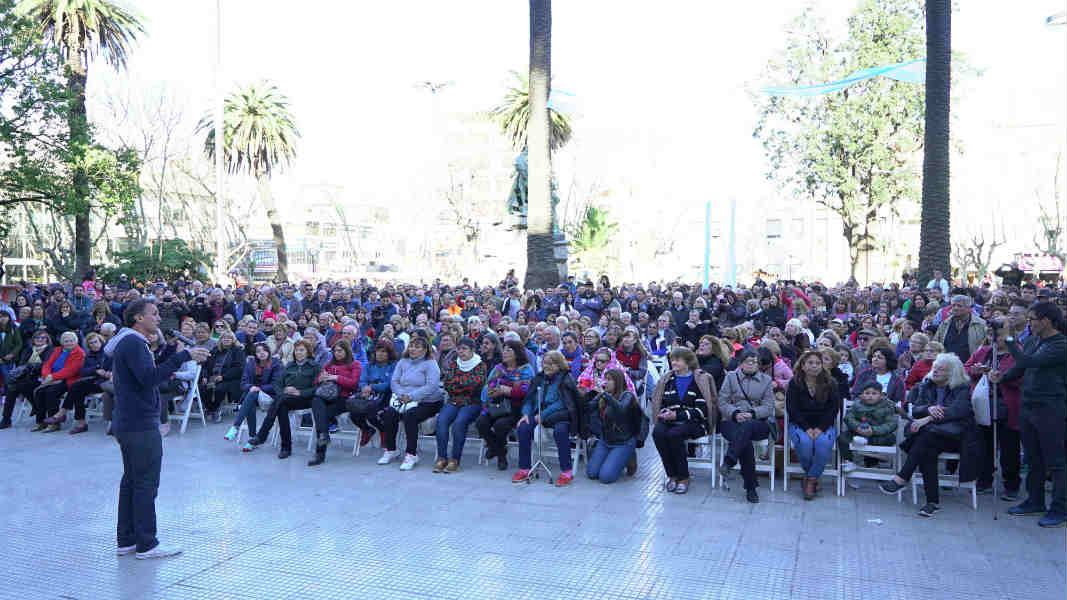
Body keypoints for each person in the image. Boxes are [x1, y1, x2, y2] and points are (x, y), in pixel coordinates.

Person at [105, 298, 209, 559]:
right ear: (138, 318)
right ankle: (147, 544)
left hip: (129, 421)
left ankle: (127, 540)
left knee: (131, 480)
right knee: (145, 483)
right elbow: (148, 379)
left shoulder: (128, 342)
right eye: (153, 314)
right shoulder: (133, 343)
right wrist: (183, 356)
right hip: (139, 423)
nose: (159, 318)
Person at [991, 302, 1067, 527]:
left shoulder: (1061, 344)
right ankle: (1034, 501)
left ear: (1046, 320)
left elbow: (1029, 360)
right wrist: (1002, 377)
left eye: (1033, 319)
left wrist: (1010, 342)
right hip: (1029, 404)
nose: (1030, 323)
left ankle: (1060, 509)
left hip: (1050, 407)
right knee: (1033, 457)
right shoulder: (1034, 340)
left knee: (1056, 461)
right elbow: (1022, 368)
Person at [880, 353, 980, 518]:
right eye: (935, 367)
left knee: (925, 437)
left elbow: (959, 411)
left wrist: (928, 417)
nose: (935, 371)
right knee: (927, 447)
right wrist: (928, 409)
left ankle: (902, 478)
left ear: (952, 373)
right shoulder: (926, 385)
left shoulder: (961, 387)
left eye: (941, 369)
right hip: (932, 436)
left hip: (956, 437)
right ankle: (931, 503)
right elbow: (916, 408)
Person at [963, 322, 1021, 499]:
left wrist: (1001, 376)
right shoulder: (983, 351)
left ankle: (1011, 484)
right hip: (984, 402)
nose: (995, 338)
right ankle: (985, 479)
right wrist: (976, 371)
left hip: (1007, 405)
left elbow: (1024, 376)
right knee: (984, 444)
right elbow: (966, 368)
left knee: (1009, 446)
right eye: (991, 334)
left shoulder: (1017, 351)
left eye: (1000, 334)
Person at [650, 347, 718, 495]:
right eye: (672, 359)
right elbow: (660, 403)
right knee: (658, 433)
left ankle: (683, 477)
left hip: (695, 422)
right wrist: (664, 413)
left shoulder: (699, 379)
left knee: (674, 434)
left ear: (688, 362)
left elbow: (702, 410)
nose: (673, 362)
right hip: (670, 420)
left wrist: (677, 416)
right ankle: (672, 475)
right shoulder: (668, 379)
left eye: (677, 359)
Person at [512, 351, 580, 486]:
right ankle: (524, 468)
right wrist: (526, 413)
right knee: (523, 427)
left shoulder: (565, 379)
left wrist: (543, 415)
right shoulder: (539, 378)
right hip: (538, 412)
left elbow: (562, 403)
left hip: (559, 415)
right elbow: (530, 398)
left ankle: (567, 471)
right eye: (545, 363)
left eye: (551, 363)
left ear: (559, 365)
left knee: (560, 431)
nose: (547, 366)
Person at [245, 340, 321, 458]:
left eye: (302, 350)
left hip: (305, 399)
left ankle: (264, 436)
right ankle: (285, 447)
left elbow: (317, 388)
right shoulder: (290, 365)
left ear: (308, 352)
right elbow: (277, 384)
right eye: (296, 350)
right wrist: (284, 390)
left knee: (280, 402)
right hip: (286, 398)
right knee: (282, 406)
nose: (298, 353)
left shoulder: (315, 366)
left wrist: (299, 392)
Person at [718, 349, 776, 503]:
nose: (752, 364)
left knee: (748, 427)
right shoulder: (731, 377)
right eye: (749, 361)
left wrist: (752, 413)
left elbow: (769, 407)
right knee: (745, 443)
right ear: (741, 363)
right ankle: (751, 487)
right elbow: (722, 402)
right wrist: (735, 413)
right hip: (732, 420)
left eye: (755, 361)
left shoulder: (766, 380)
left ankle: (729, 461)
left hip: (758, 422)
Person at [786, 350, 840, 501]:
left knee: (823, 443)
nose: (814, 366)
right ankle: (813, 477)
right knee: (805, 443)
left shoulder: (831, 383)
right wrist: (807, 428)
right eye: (810, 363)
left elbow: (833, 409)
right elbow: (792, 409)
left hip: (823, 425)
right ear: (803, 365)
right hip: (800, 424)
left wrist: (820, 428)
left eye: (818, 363)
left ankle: (810, 479)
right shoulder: (795, 383)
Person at [383, 336, 444, 471]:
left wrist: (412, 396)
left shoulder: (430, 364)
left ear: (425, 350)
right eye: (411, 346)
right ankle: (391, 449)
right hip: (404, 398)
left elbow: (431, 386)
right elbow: (394, 381)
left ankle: (411, 454)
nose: (412, 349)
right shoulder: (403, 361)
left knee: (410, 416)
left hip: (428, 401)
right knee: (388, 414)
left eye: (417, 347)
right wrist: (401, 395)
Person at [434, 337, 489, 473]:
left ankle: (455, 460)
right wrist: (463, 385)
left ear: (472, 350)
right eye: (459, 349)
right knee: (441, 421)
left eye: (464, 349)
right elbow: (448, 384)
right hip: (454, 401)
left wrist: (458, 384)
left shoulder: (480, 365)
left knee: (459, 423)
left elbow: (476, 385)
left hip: (472, 402)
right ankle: (442, 458)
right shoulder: (454, 364)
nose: (461, 352)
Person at [478, 339, 534, 471]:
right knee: (481, 422)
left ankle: (500, 456)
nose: (505, 352)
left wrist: (507, 390)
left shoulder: (526, 369)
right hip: (496, 406)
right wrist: (494, 391)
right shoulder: (498, 368)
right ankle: (499, 449)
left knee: (500, 425)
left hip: (515, 408)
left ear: (517, 353)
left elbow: (526, 391)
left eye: (509, 350)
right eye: (504, 349)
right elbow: (489, 385)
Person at [307, 341, 362, 466]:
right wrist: (320, 379)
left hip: (344, 398)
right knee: (316, 400)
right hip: (326, 396)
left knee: (322, 415)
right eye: (335, 351)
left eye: (340, 351)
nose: (337, 353)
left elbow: (354, 383)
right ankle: (324, 436)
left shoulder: (355, 365)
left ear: (347, 351)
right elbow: (316, 382)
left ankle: (320, 453)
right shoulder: (329, 364)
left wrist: (335, 378)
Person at [586, 369, 643, 484]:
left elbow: (621, 409)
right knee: (592, 473)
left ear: (618, 381)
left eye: (609, 380)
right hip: (606, 439)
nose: (605, 382)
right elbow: (587, 408)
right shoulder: (604, 395)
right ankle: (614, 458)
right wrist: (588, 392)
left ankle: (629, 456)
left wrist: (604, 394)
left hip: (624, 441)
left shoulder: (627, 395)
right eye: (604, 379)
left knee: (605, 477)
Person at [348, 339, 399, 461]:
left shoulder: (394, 366)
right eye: (378, 351)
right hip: (367, 394)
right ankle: (367, 429)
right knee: (353, 412)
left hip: (385, 396)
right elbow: (362, 380)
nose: (380, 354)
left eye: (384, 351)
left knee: (372, 411)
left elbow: (389, 384)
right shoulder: (369, 366)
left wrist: (372, 387)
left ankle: (382, 430)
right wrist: (365, 388)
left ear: (389, 353)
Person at [51, 332, 111, 434]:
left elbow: (113, 367)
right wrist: (96, 369)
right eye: (91, 343)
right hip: (93, 381)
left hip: (105, 382)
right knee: (77, 391)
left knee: (76, 387)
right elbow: (83, 372)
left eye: (95, 342)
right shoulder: (89, 355)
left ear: (101, 341)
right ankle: (80, 422)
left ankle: (67, 415)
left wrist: (108, 372)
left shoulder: (107, 353)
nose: (94, 345)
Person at [226, 343, 282, 445]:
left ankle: (235, 427)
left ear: (268, 352)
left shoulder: (276, 363)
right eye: (258, 351)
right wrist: (251, 387)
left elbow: (276, 385)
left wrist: (259, 388)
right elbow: (243, 383)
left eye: (264, 350)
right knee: (250, 399)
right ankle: (252, 439)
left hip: (270, 397)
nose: (261, 353)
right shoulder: (251, 364)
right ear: (255, 354)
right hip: (252, 396)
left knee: (251, 395)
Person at [839, 381, 898, 473]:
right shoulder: (857, 405)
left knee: (889, 438)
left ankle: (875, 458)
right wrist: (857, 427)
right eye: (867, 393)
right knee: (842, 438)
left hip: (878, 434)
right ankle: (849, 461)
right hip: (858, 432)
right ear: (861, 395)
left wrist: (874, 430)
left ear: (881, 395)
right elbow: (849, 417)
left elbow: (891, 424)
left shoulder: (887, 406)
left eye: (874, 393)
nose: (870, 396)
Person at [34, 331, 86, 432]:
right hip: (51, 378)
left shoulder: (80, 353)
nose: (69, 343)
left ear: (76, 341)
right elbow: (47, 364)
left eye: (71, 341)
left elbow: (71, 370)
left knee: (51, 392)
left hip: (68, 379)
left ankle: (54, 424)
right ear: (62, 342)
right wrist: (46, 376)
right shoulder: (58, 350)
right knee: (39, 392)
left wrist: (52, 377)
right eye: (66, 341)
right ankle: (41, 422)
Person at [934, 295, 987, 363]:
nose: (955, 308)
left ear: (968, 308)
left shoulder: (981, 324)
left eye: (959, 306)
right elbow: (936, 344)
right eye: (953, 305)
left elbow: (986, 347)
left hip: (970, 367)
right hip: (947, 366)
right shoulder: (945, 324)